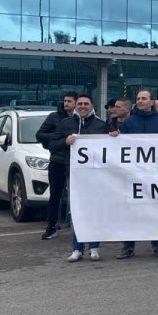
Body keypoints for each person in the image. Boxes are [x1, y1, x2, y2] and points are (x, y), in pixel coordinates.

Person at [109, 93, 158, 259]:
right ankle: (128, 246)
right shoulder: (129, 122)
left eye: (144, 99)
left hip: (155, 173)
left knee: (155, 209)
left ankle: (157, 244)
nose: (140, 101)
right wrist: (116, 137)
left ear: (152, 102)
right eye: (138, 99)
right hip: (134, 173)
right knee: (131, 209)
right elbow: (122, 146)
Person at [49, 94, 109, 262]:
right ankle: (77, 248)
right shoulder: (65, 124)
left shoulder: (100, 125)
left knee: (94, 210)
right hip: (74, 175)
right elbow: (52, 144)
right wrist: (65, 141)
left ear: (91, 106)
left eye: (86, 103)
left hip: (95, 175)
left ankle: (94, 247)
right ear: (76, 105)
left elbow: (111, 147)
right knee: (76, 211)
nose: (83, 106)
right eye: (80, 103)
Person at [40, 91, 79, 240]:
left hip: (76, 163)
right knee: (55, 195)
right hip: (58, 161)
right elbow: (40, 134)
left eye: (69, 101)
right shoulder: (54, 117)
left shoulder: (81, 119)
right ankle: (51, 226)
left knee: (78, 195)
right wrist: (61, 137)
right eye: (65, 101)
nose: (66, 104)